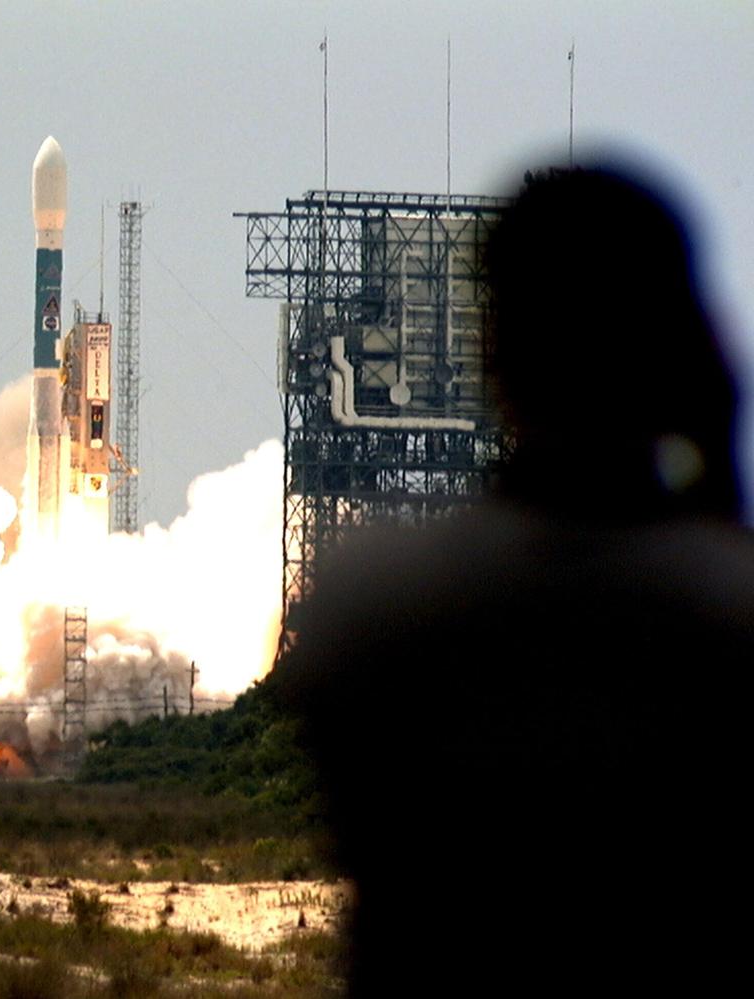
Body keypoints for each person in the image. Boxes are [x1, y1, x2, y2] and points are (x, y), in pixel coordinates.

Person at [280, 166, 753, 998]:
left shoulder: (373, 603)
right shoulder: (722, 613)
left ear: (494, 346)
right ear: (685, 346)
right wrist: (718, 450)